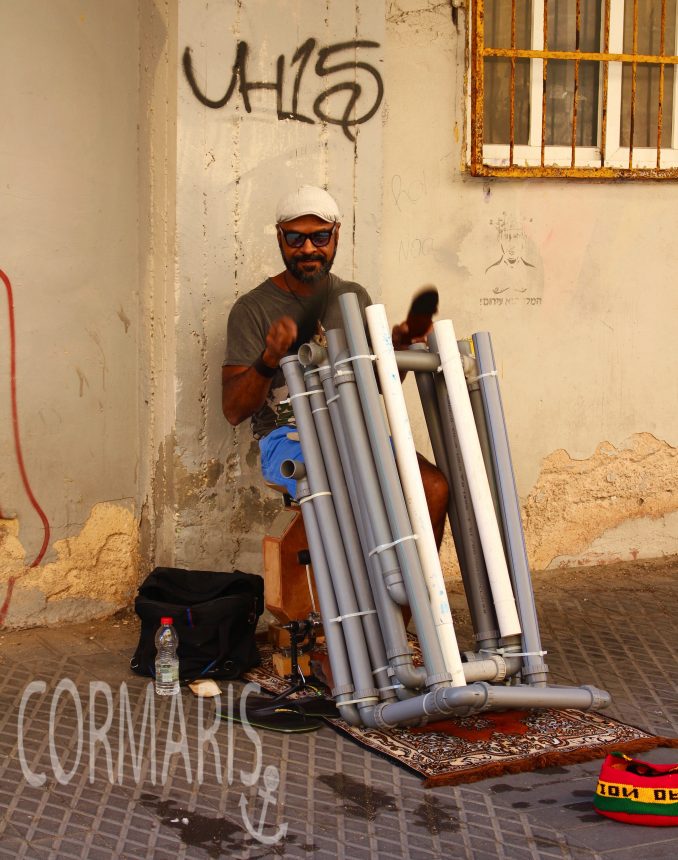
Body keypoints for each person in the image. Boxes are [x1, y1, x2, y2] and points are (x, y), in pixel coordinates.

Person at [222, 185, 448, 545]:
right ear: (280, 237)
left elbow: (373, 381)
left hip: (353, 432)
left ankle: (416, 601)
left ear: (336, 234)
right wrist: (269, 359)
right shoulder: (252, 309)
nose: (308, 248)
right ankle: (355, 599)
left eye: (319, 237)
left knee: (432, 487)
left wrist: (400, 345)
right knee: (362, 490)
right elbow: (234, 410)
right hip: (288, 438)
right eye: (296, 238)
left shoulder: (352, 297)